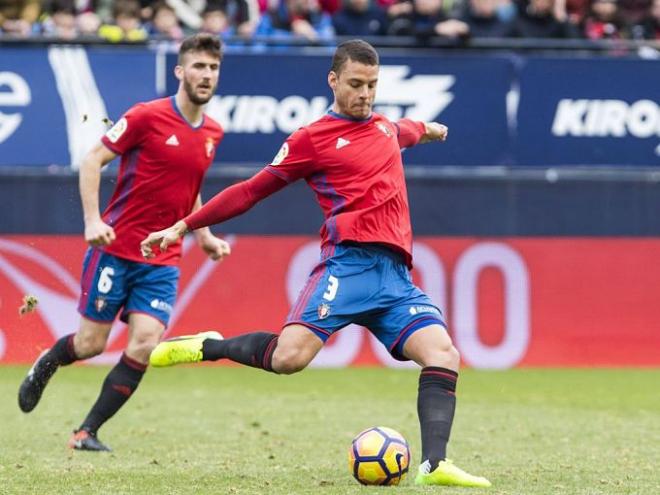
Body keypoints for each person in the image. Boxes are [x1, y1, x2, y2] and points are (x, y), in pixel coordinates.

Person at [141, 39, 491, 488]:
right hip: (346, 269)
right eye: (355, 84)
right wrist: (182, 226)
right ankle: (208, 346)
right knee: (288, 359)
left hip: (394, 278)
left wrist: (431, 128)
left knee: (443, 353)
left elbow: (407, 129)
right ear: (333, 80)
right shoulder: (311, 139)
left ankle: (434, 465)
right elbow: (250, 191)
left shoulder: (385, 127)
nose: (365, 94)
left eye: (372, 85)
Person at [17, 33, 231, 452]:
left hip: (163, 257)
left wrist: (203, 235)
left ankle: (86, 432)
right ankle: (46, 362)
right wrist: (93, 220)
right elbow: (92, 159)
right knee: (90, 344)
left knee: (145, 343)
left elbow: (191, 187)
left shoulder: (213, 132)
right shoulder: (145, 116)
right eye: (199, 66)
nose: (206, 75)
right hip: (115, 248)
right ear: (180, 71)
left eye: (213, 68)